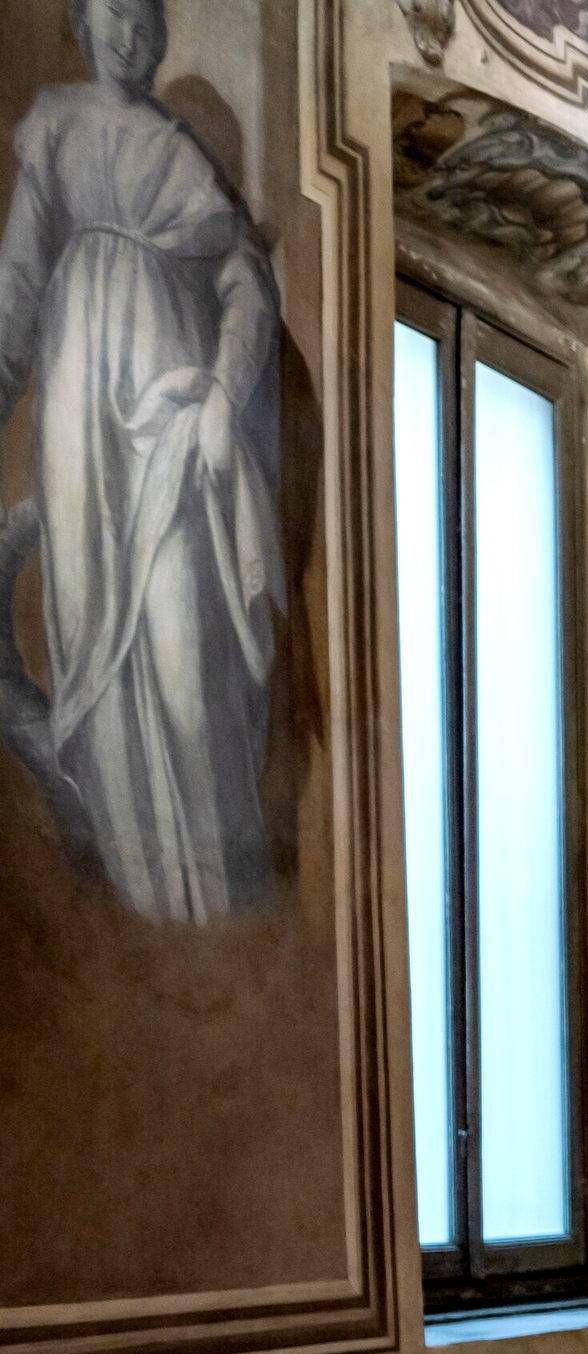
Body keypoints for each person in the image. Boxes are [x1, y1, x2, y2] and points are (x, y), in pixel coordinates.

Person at [0, 0, 284, 927]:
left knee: (184, 658)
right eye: (112, 12)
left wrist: (222, 394)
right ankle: (147, 905)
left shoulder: (179, 154)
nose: (128, 33)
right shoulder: (56, 128)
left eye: (144, 17)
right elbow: (14, 297)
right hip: (77, 427)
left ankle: (213, 900)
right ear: (83, 23)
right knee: (98, 654)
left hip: (166, 423)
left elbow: (247, 283)